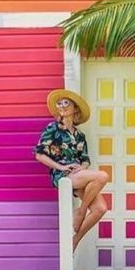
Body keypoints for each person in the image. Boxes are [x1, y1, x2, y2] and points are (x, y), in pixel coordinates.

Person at [34, 88, 109, 251]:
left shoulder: (80, 135)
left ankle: (75, 240)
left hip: (78, 174)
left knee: (100, 209)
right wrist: (61, 166)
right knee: (102, 176)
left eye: (66, 102)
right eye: (59, 103)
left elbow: (85, 159)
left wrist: (81, 168)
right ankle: (81, 212)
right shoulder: (52, 129)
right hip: (62, 174)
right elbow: (39, 155)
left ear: (75, 108)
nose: (62, 105)